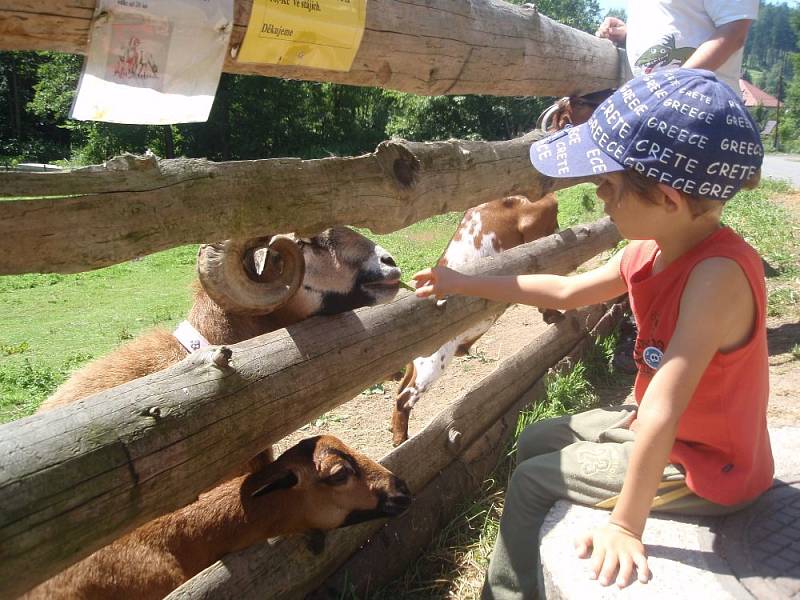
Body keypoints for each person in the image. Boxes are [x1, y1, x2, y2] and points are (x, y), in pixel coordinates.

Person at [412, 69, 772, 599]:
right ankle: (533, 552)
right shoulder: (650, 251)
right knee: (538, 439)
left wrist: (625, 526)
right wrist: (462, 279)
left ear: (668, 199)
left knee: (532, 480)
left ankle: (507, 594)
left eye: (608, 185)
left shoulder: (716, 277)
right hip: (673, 432)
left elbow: (665, 410)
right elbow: (563, 291)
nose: (600, 198)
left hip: (710, 464)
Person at [596, 1, 758, 92]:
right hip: (653, 103)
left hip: (701, 107)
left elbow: (734, 32)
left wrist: (672, 86)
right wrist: (630, 33)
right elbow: (675, 20)